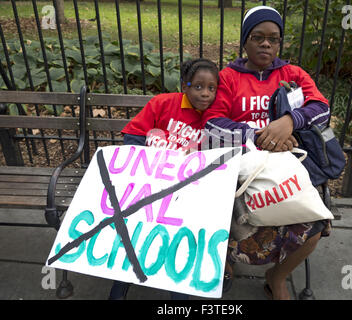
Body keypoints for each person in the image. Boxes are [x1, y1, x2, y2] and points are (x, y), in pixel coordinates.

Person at [201, 6, 331, 300]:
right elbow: (212, 121)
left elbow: (321, 107)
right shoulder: (228, 78)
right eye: (258, 37)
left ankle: (278, 276)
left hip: (289, 161)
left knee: (314, 221)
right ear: (245, 41)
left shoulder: (292, 74)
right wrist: (261, 136)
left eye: (273, 39)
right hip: (241, 166)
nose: (266, 44)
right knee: (216, 209)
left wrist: (289, 122)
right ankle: (226, 265)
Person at [108, 58, 219, 300]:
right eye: (198, 86)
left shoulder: (214, 117)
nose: (206, 94)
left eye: (212, 88)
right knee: (135, 232)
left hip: (185, 192)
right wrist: (148, 167)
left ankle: (179, 292)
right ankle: (120, 287)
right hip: (147, 184)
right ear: (184, 86)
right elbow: (134, 135)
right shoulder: (162, 103)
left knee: (179, 240)